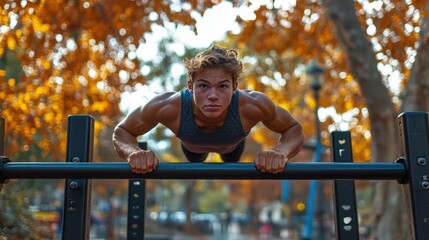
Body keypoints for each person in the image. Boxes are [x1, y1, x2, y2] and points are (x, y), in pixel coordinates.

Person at [112, 45, 304, 174]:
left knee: (231, 159)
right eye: (203, 86)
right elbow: (122, 131)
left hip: (233, 147)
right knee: (196, 158)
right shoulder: (168, 106)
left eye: (222, 86)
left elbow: (293, 128)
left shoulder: (253, 105)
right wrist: (133, 153)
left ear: (234, 87)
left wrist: (280, 152)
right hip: (191, 148)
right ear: (190, 86)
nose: (213, 95)